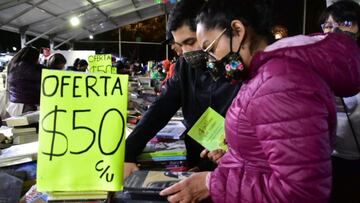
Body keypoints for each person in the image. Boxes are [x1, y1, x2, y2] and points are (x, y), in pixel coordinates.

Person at [160, 0, 360, 202]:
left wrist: (212, 184)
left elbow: (301, 193)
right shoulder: (264, 74)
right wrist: (238, 156)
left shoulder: (280, 83)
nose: (210, 61)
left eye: (210, 49)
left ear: (237, 31)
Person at [124, 0, 242, 178]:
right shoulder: (184, 67)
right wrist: (128, 152)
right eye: (180, 45)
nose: (186, 53)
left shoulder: (239, 69)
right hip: (195, 159)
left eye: (191, 41)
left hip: (232, 169)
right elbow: (161, 108)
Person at [319, 1, 360, 202]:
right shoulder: (315, 65)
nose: (334, 30)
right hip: (327, 160)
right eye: (327, 25)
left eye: (345, 22)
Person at [6, 46, 44, 116]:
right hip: (27, 106)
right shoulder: (34, 68)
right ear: (33, 57)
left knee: (17, 125)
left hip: (13, 105)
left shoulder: (12, 65)